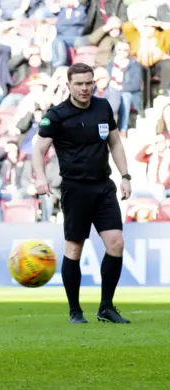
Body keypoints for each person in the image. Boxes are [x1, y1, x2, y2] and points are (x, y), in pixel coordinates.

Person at [32, 62, 132, 325]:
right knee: (75, 248)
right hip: (75, 189)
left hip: (103, 186)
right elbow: (38, 149)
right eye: (79, 83)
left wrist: (125, 176)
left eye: (89, 82)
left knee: (116, 243)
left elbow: (115, 143)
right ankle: (75, 311)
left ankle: (106, 307)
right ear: (69, 86)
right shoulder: (56, 115)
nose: (85, 88)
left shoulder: (103, 107)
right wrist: (40, 177)